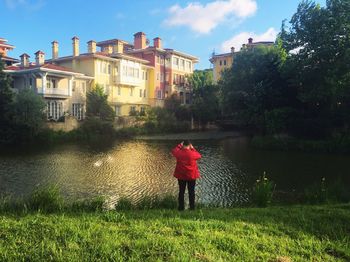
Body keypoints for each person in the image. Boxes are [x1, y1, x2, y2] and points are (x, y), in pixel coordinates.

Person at [171, 140, 201, 211]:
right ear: (189, 145)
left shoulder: (179, 153)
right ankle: (192, 208)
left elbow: (173, 151)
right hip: (191, 176)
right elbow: (199, 156)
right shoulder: (193, 153)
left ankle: (181, 208)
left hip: (181, 176)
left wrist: (179, 145)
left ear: (183, 145)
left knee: (181, 192)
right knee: (191, 192)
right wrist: (193, 148)